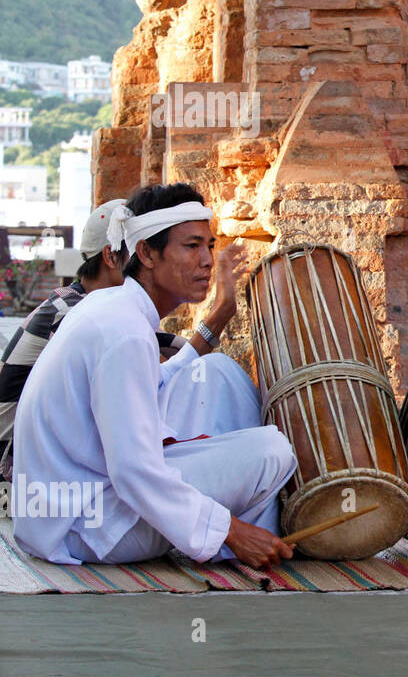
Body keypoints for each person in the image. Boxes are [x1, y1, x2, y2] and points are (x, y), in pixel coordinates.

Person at [11, 183, 297, 568]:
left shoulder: (114, 309)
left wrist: (222, 312)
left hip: (69, 514)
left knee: (214, 370)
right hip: (84, 527)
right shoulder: (123, 331)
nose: (207, 260)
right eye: (191, 246)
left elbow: (159, 384)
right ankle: (251, 546)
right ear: (145, 252)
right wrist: (230, 529)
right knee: (271, 452)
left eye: (209, 246)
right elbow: (133, 471)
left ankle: (252, 540)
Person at [0, 199, 244, 481]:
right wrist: (220, 314)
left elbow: (170, 359)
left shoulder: (98, 306)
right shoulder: (82, 314)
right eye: (141, 250)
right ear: (111, 257)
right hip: (24, 464)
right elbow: (167, 371)